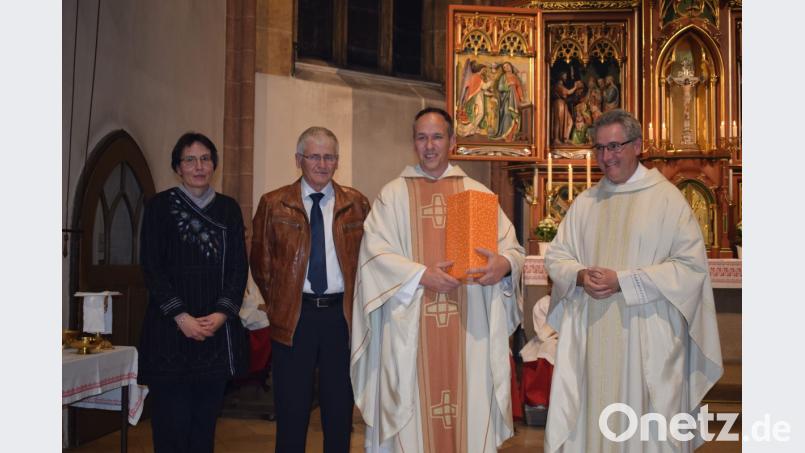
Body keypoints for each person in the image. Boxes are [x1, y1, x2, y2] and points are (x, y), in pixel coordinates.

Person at [543, 109, 723, 452]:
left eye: (615, 147)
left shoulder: (667, 200)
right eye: (599, 149)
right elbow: (556, 256)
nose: (606, 157)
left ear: (638, 145)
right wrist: (580, 276)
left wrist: (624, 281)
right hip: (592, 336)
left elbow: (690, 268)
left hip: (646, 339)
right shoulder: (585, 203)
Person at [351, 107, 525, 453]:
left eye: (437, 137)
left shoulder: (478, 194)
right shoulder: (393, 196)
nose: (429, 146)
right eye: (421, 137)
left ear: (452, 141)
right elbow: (373, 257)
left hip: (468, 330)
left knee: (467, 412)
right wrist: (420, 274)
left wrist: (503, 265)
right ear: (413, 142)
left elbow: (512, 249)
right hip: (409, 330)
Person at [251, 127, 370, 453]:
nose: (322, 163)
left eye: (329, 156)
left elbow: (369, 261)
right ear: (298, 160)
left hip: (340, 319)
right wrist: (281, 302)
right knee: (291, 411)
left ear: (337, 161)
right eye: (314, 156)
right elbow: (260, 263)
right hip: (294, 319)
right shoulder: (274, 203)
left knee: (338, 411)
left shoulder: (357, 204)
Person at [138, 132, 249, 453]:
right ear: (178, 167)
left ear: (214, 165)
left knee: (203, 428)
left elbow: (238, 269)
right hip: (169, 333)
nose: (198, 166)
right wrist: (180, 316)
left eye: (205, 159)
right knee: (170, 427)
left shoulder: (228, 209)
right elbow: (151, 267)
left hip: (214, 335)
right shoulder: (159, 207)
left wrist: (220, 315)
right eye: (190, 160)